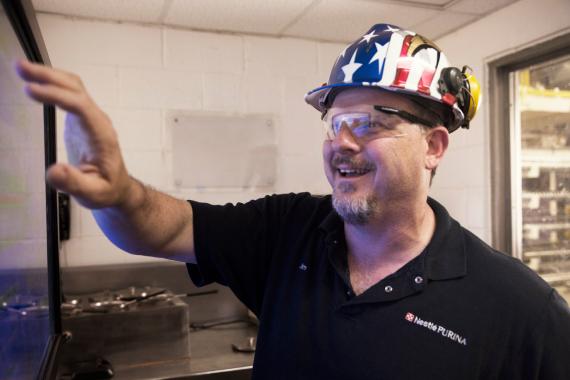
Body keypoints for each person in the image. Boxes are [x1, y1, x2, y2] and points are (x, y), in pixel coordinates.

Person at [17, 23, 570, 379]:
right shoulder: (286, 231)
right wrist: (118, 193)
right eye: (336, 123)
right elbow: (157, 230)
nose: (342, 143)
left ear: (433, 146)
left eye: (373, 123)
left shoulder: (519, 308)